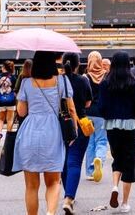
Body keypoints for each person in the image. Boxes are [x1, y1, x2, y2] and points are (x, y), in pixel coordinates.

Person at [14, 51, 78, 215]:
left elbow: (21, 112)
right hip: (53, 131)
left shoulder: (27, 83)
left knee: (31, 185)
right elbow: (70, 108)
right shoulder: (62, 81)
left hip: (30, 131)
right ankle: (50, 213)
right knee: (54, 181)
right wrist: (74, 131)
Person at [99, 51, 135, 213]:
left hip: (111, 126)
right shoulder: (132, 82)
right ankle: (125, 203)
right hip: (128, 126)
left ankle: (115, 186)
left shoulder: (105, 82)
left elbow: (101, 107)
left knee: (117, 158)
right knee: (129, 163)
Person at [61, 52, 92, 215]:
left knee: (63, 162)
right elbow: (88, 103)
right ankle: (68, 198)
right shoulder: (83, 80)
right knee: (74, 162)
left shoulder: (58, 81)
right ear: (77, 65)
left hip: (59, 125)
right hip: (79, 123)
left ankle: (68, 192)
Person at [84, 51, 108, 183]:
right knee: (102, 141)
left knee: (89, 142)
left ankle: (89, 171)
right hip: (102, 113)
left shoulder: (85, 77)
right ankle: (98, 158)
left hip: (87, 112)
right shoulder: (106, 76)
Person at [0, 60, 17, 145]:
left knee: (0, 119)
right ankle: (8, 136)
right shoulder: (13, 77)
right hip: (11, 101)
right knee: (10, 119)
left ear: (3, 67)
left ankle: (0, 133)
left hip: (0, 101)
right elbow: (16, 89)